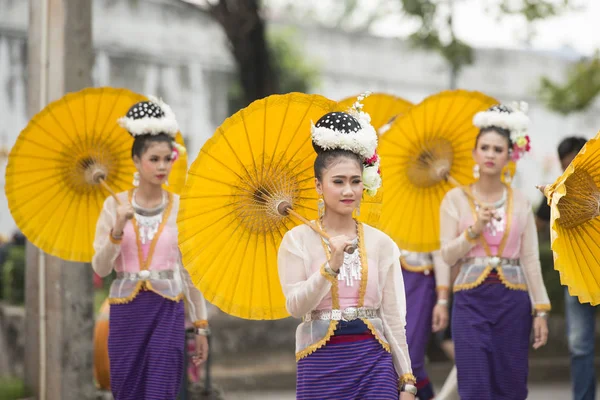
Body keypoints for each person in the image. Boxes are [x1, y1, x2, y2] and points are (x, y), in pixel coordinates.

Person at [277, 95, 417, 399]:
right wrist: (329, 268)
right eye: (338, 181)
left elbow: (393, 317)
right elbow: (296, 306)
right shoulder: (296, 241)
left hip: (374, 361)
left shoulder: (382, 244)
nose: (348, 190)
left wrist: (406, 378)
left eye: (355, 181)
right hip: (320, 364)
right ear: (318, 186)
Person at [92, 97, 209, 400]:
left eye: (166, 159)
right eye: (153, 159)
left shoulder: (180, 208)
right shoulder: (113, 205)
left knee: (162, 390)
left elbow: (189, 270)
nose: (162, 166)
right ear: (136, 161)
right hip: (126, 312)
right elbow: (101, 268)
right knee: (127, 390)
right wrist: (117, 230)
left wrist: (200, 324)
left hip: (168, 311)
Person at [440, 102, 551, 400]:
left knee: (511, 386)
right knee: (474, 385)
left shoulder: (521, 201)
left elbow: (530, 258)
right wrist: (472, 233)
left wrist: (540, 309)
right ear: (475, 153)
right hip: (469, 303)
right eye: (485, 147)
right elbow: (447, 255)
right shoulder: (455, 199)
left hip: (513, 303)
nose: (490, 154)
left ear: (509, 155)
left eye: (497, 149)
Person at [537, 136, 597, 400]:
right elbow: (538, 226)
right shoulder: (557, 189)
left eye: (574, 158)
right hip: (578, 274)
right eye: (565, 162)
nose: (570, 165)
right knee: (579, 344)